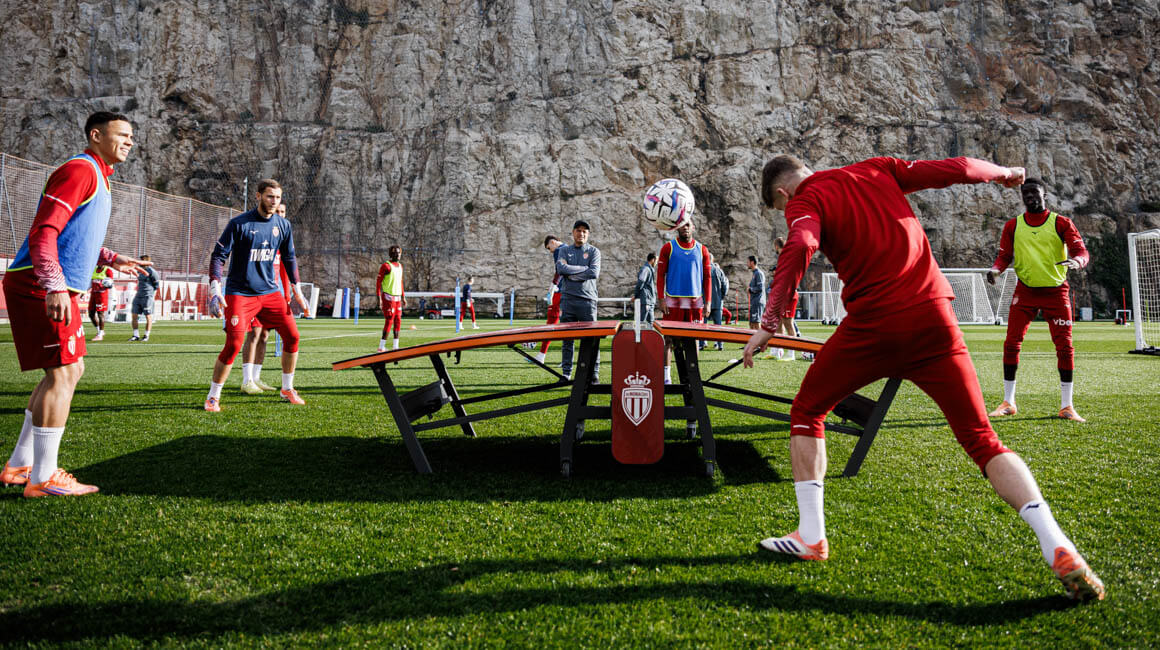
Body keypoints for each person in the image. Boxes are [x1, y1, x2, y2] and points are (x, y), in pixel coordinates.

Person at [742, 154, 1104, 601]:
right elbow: (957, 168)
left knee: (807, 410)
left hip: (874, 326)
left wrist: (770, 322)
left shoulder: (804, 200)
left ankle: (811, 537)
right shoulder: (876, 168)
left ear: (783, 193)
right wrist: (1005, 175)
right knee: (982, 438)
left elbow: (800, 244)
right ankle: (1056, 542)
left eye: (781, 208)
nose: (787, 212)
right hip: (935, 317)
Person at [1, 111, 150, 497]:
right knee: (64, 373)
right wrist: (53, 285)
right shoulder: (81, 169)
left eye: (132, 136)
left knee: (68, 370)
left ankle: (20, 465)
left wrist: (110, 257)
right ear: (96, 135)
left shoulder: (99, 175)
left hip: (49, 283)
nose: (130, 141)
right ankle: (43, 478)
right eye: (122, 134)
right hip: (40, 284)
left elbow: (74, 233)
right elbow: (45, 230)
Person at [986, 178, 1090, 422]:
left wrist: (1077, 261)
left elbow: (1081, 251)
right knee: (1011, 343)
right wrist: (995, 270)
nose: (1030, 196)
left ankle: (1067, 406)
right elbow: (1004, 256)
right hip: (1026, 291)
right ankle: (1008, 402)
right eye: (1026, 193)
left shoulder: (1061, 223)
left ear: (1045, 195)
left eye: (1035, 192)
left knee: (1064, 347)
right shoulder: (1013, 226)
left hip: (1056, 292)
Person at [204, 179, 310, 411]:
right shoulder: (239, 223)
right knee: (234, 344)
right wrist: (214, 290)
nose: (274, 201)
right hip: (240, 294)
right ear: (258, 196)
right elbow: (218, 256)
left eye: (278, 198)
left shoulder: (283, 225)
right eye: (270, 196)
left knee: (293, 336)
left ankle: (287, 388)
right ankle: (213, 396)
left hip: (270, 292)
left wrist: (298, 290)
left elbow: (289, 258)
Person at [239, 203, 295, 394]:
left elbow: (286, 270)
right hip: (255, 294)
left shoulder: (282, 239)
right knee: (254, 334)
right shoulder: (261, 237)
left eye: (283, 212)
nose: (280, 214)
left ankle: (256, 377)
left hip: (273, 295)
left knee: (264, 335)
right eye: (277, 211)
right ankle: (247, 380)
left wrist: (287, 296)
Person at [656, 220, 712, 382]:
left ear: (693, 227)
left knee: (693, 340)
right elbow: (660, 275)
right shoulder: (668, 248)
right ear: (676, 228)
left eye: (688, 225)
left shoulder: (702, 249)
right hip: (673, 302)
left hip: (695, 303)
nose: (685, 228)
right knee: (668, 339)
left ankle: (693, 377)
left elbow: (708, 278)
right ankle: (666, 377)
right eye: (682, 225)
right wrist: (661, 298)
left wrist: (708, 302)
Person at [555, 219, 601, 381]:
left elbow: (593, 273)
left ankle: (593, 373)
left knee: (591, 339)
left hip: (587, 300)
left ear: (588, 234)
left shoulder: (594, 252)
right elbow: (561, 269)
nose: (581, 233)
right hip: (568, 300)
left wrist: (571, 274)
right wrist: (583, 269)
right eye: (578, 230)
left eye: (584, 231)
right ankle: (566, 373)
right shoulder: (564, 250)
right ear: (573, 232)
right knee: (567, 339)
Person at [766, 236, 803, 361]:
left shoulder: (788, 256)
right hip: (783, 294)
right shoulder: (783, 258)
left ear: (776, 246)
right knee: (779, 323)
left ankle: (791, 354)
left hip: (789, 294)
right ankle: (778, 351)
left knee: (788, 323)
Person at [533, 235, 565, 364]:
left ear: (552, 242)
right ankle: (566, 359)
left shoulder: (558, 250)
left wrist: (552, 287)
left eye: (548, 248)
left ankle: (540, 352)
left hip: (560, 291)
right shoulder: (570, 248)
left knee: (551, 321)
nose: (550, 251)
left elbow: (559, 271)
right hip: (571, 291)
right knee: (568, 324)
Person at [376, 244, 407, 352]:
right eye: (395, 253)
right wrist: (379, 298)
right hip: (388, 298)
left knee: (398, 320)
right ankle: (381, 346)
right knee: (389, 320)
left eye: (399, 253)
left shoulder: (400, 266)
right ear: (390, 254)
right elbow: (378, 283)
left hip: (398, 298)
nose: (398, 255)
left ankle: (395, 346)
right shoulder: (386, 266)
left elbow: (400, 282)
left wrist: (403, 297)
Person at [129, 254, 161, 341]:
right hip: (138, 295)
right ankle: (136, 335)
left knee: (148, 316)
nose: (139, 262)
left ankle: (146, 335)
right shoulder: (139, 270)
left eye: (142, 261)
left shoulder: (152, 271)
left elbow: (156, 285)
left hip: (147, 296)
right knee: (134, 315)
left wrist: (150, 294)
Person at [708, 253, 729, 350]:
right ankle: (720, 345)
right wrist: (721, 296)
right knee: (718, 325)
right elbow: (725, 285)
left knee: (703, 325)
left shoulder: (703, 270)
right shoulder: (718, 270)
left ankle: (702, 343)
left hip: (706, 302)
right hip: (717, 301)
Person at [88, 264, 113, 341]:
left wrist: (108, 285)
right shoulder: (93, 269)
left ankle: (100, 334)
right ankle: (99, 331)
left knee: (100, 313)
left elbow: (111, 284)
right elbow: (91, 282)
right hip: (93, 294)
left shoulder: (108, 270)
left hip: (101, 295)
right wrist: (85, 290)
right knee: (91, 314)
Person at [633, 252, 657, 324]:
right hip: (646, 301)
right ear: (653, 260)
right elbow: (640, 282)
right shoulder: (646, 269)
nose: (656, 263)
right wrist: (636, 295)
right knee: (642, 323)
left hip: (650, 301)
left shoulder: (649, 269)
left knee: (650, 323)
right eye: (656, 260)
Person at [746, 255, 765, 330]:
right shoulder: (754, 273)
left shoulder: (758, 273)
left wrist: (750, 289)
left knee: (756, 323)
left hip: (758, 302)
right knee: (751, 324)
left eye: (748, 262)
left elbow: (760, 288)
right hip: (754, 302)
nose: (747, 263)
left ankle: (760, 338)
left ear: (752, 262)